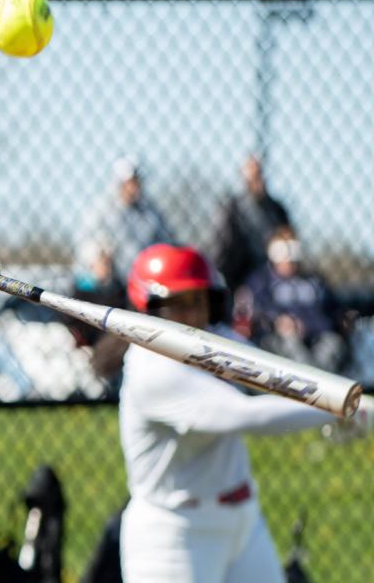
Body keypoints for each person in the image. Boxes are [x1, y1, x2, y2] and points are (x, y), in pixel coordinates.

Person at [117, 243, 371, 583]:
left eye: (199, 301)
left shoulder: (213, 340)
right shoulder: (151, 370)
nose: (192, 316)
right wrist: (340, 405)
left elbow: (278, 378)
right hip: (175, 534)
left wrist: (345, 404)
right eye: (177, 304)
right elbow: (244, 414)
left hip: (242, 523)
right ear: (148, 307)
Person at [235, 225, 348, 373]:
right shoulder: (261, 281)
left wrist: (308, 325)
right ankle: (313, 385)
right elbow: (253, 310)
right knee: (290, 342)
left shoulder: (314, 282)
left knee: (333, 343)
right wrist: (278, 320)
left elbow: (330, 313)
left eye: (293, 250)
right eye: (282, 250)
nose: (289, 259)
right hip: (277, 339)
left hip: (316, 338)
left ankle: (314, 385)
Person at [79, 157, 174, 281]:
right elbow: (86, 242)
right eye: (131, 182)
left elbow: (166, 240)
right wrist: (97, 258)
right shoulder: (102, 210)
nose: (135, 187)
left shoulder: (150, 212)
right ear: (120, 183)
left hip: (145, 280)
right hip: (111, 282)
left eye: (138, 182)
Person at [209, 154, 291, 290]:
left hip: (272, 279)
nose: (258, 179)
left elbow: (287, 239)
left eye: (260, 173)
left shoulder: (277, 210)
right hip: (239, 277)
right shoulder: (232, 208)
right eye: (253, 174)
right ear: (244, 176)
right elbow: (221, 250)